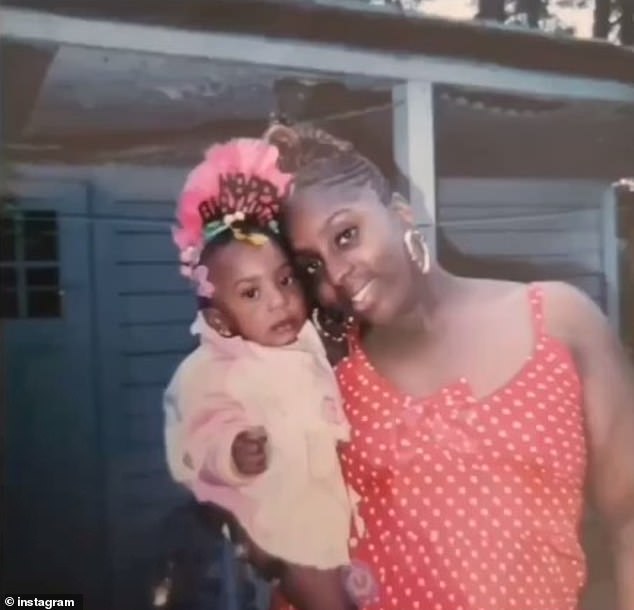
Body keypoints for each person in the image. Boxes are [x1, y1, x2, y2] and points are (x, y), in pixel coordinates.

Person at [260, 124, 634, 610]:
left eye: (346, 235)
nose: (335, 273)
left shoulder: (559, 323)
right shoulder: (331, 379)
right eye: (311, 266)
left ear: (400, 214)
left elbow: (628, 517)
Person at [163, 138, 363, 610]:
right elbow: (194, 436)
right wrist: (231, 449)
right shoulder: (214, 370)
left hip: (338, 508)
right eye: (251, 294)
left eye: (285, 279)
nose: (278, 300)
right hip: (283, 520)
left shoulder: (307, 336)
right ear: (219, 320)